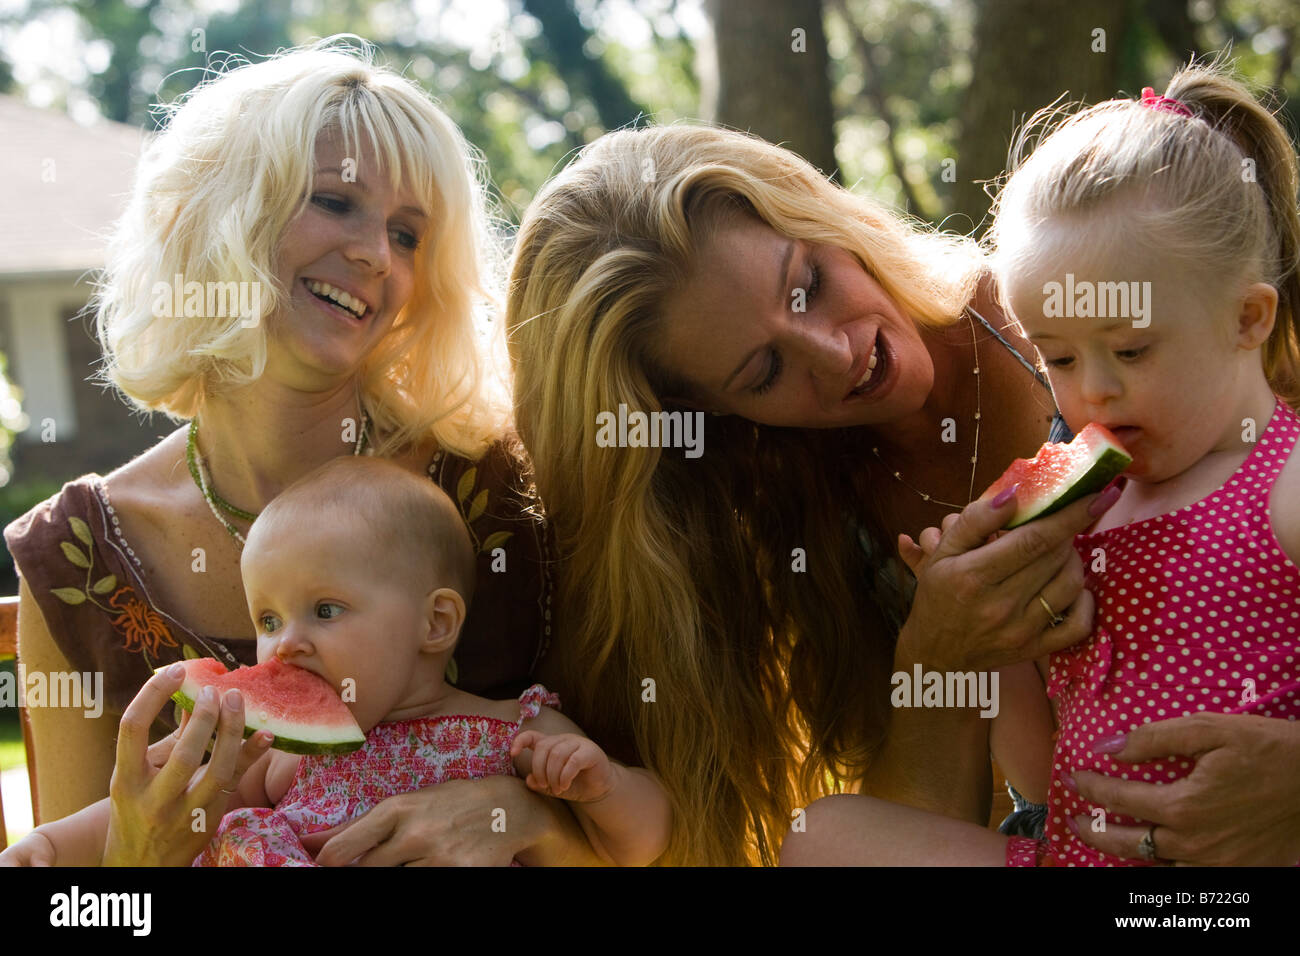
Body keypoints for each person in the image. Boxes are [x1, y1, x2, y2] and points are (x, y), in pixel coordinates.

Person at [4, 37, 601, 865]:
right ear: (220, 212)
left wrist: (528, 817)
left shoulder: (502, 492)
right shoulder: (76, 558)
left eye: (407, 234)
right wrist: (136, 860)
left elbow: (663, 820)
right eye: (335, 202)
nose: (373, 254)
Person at [506, 122, 1118, 865]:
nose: (836, 355)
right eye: (763, 373)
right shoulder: (807, 524)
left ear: (820, 214)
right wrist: (940, 655)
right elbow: (921, 834)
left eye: (808, 287)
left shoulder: (1056, 297)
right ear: (714, 419)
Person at [781, 61, 1300, 866]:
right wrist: (997, 623)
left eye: (1131, 348)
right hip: (1075, 853)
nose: (1092, 390)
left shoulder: (1283, 483)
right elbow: (1038, 771)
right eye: (1057, 357)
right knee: (825, 835)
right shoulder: (1087, 512)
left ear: (1247, 318)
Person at [1, 458, 671, 867]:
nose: (284, 643)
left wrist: (603, 786)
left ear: (435, 623)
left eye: (325, 610)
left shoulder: (518, 733)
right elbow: (165, 813)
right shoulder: (280, 758)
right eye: (266, 620)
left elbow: (641, 844)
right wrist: (54, 846)